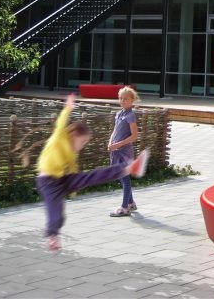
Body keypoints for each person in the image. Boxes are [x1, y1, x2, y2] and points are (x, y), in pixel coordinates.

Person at [35, 94, 149, 251]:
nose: (82, 146)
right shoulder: (59, 138)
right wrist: (68, 107)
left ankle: (128, 168)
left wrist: (77, 183)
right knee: (57, 213)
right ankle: (52, 235)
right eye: (82, 142)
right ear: (73, 135)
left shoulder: (71, 152)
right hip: (48, 182)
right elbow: (61, 123)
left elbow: (73, 168)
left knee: (93, 176)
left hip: (62, 180)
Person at [108, 86, 140, 217]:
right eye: (121, 98)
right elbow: (115, 131)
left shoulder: (131, 115)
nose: (123, 100)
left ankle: (125, 207)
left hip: (124, 152)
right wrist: (110, 142)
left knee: (124, 178)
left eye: (126, 98)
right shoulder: (119, 114)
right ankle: (131, 203)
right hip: (115, 150)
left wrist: (118, 145)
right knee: (120, 176)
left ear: (132, 100)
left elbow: (134, 136)